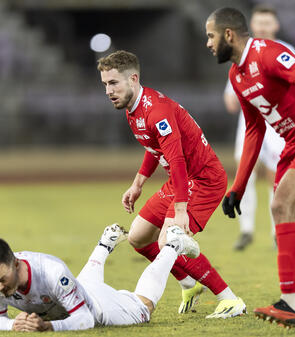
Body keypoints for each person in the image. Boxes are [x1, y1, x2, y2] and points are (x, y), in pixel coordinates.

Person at [206, 7, 295, 327]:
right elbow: (254, 129)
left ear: (228, 35)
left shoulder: (270, 54)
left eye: (211, 36)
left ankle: (288, 302)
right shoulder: (236, 75)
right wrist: (239, 185)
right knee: (291, 234)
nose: (208, 43)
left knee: (280, 205)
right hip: (294, 145)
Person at [97, 50, 246, 318]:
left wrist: (180, 213)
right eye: (105, 84)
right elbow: (154, 147)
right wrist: (138, 183)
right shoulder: (134, 109)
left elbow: (176, 160)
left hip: (203, 179)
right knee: (139, 237)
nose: (108, 90)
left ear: (133, 78)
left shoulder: (156, 111)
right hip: (183, 179)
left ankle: (231, 300)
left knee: (171, 240)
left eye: (113, 83)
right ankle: (189, 283)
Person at [0, 224, 200, 331]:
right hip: (75, 292)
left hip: (98, 307)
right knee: (79, 286)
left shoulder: (51, 272)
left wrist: (48, 327)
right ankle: (106, 242)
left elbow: (86, 320)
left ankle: (173, 243)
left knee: (144, 307)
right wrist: (12, 325)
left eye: (2, 279)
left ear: (15, 264)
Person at [223, 5, 295, 251]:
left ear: (275, 26)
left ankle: (278, 230)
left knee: (277, 175)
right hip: (250, 122)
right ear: (252, 26)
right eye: (259, 23)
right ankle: (246, 229)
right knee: (246, 170)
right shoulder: (242, 53)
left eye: (268, 23)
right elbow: (230, 98)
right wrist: (235, 96)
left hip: (278, 123)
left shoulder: (287, 51)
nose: (263, 27)